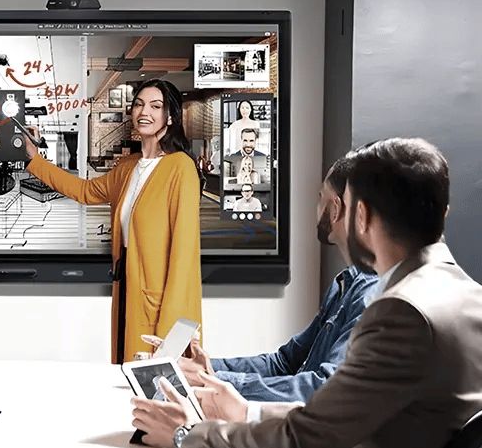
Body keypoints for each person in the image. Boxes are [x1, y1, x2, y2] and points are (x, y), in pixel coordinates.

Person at [130, 137, 482, 448]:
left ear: (361, 215)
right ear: (443, 213)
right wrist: (246, 410)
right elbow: (341, 414)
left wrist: (186, 436)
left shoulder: (401, 310)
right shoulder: (467, 295)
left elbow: (308, 438)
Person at [141, 155, 380, 404]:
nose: (317, 205)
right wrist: (194, 366)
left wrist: (210, 381)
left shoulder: (369, 297)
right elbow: (284, 362)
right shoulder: (344, 285)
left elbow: (322, 388)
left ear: (336, 209)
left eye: (321, 197)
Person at [24, 79, 202, 364]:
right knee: (126, 383)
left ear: (170, 116)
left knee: (155, 392)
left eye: (156, 106)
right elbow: (85, 191)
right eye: (140, 104)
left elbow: (183, 256)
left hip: (159, 305)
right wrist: (35, 160)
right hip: (127, 292)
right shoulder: (128, 167)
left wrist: (170, 335)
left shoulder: (180, 168)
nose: (145, 112)